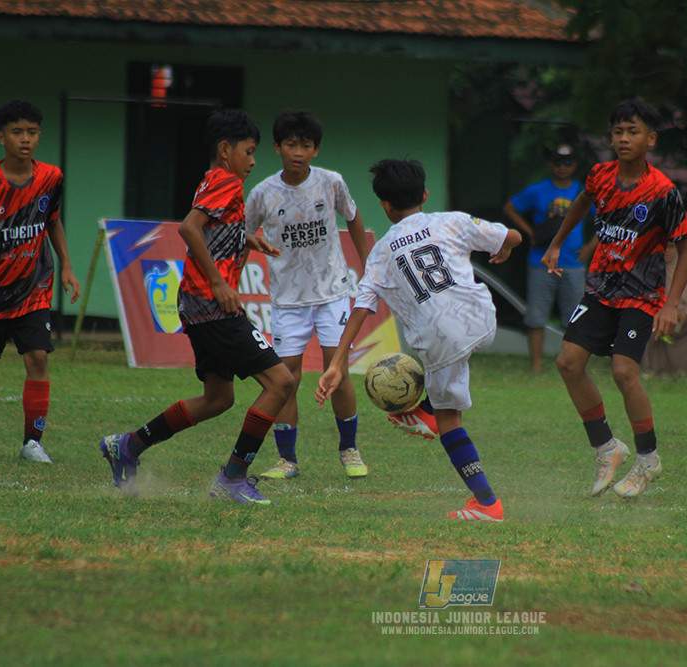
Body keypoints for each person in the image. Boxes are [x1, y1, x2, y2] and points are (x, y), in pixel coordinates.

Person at [99, 109, 295, 504]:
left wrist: (245, 239)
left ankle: (129, 446)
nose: (253, 161)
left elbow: (210, 226)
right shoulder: (227, 181)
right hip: (211, 303)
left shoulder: (211, 179)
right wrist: (220, 283)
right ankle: (232, 479)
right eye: (249, 151)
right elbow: (189, 227)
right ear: (225, 150)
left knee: (218, 399)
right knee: (281, 382)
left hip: (196, 304)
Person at [315, 159, 521, 521]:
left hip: (441, 339)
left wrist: (336, 364)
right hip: (483, 319)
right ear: (424, 195)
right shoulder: (451, 220)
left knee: (449, 420)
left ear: (384, 205)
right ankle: (424, 412)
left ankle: (487, 504)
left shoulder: (381, 252)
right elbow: (512, 237)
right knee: (445, 401)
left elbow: (361, 308)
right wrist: (504, 247)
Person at [542, 97, 687, 500]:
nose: (624, 138)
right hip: (600, 289)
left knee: (624, 373)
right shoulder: (600, 176)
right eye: (618, 132)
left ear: (650, 139)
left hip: (641, 297)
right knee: (568, 362)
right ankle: (607, 447)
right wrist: (557, 243)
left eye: (633, 131)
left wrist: (671, 304)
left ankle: (648, 460)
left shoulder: (663, 192)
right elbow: (582, 202)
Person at [244, 110, 370, 481]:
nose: (298, 152)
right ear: (276, 147)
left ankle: (349, 449)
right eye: (291, 144)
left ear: (316, 150)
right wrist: (233, 275)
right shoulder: (263, 193)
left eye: (306, 145)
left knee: (338, 371)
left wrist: (369, 266)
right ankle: (287, 460)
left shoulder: (331, 182)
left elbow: (353, 216)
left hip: (332, 293)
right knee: (285, 378)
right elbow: (244, 234)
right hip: (287, 299)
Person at [0, 99, 81, 463]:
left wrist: (67, 266)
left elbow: (52, 221)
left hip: (33, 288)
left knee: (38, 358)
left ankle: (32, 443)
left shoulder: (51, 177)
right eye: (17, 132)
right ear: (2, 137)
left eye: (32, 132)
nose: (25, 139)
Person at [502, 144, 593, 373]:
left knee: (575, 318)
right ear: (550, 164)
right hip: (540, 262)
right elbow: (510, 208)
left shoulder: (583, 192)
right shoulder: (537, 190)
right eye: (557, 162)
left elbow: (607, 219)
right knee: (536, 316)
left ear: (575, 165)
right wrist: (530, 233)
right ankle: (536, 365)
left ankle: (572, 365)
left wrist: (590, 248)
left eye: (568, 163)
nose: (562, 167)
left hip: (573, 263)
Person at [640, 243, 687, 380]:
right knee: (646, 320)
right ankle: (652, 369)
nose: (667, 251)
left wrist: (684, 312)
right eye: (663, 246)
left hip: (679, 316)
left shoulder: (680, 268)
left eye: (671, 247)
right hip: (653, 314)